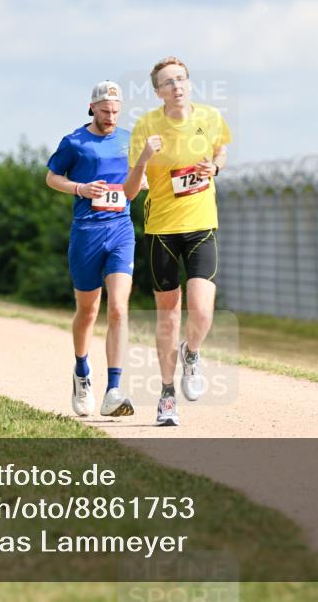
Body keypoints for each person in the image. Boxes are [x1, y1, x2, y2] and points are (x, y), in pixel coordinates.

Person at [124, 56, 232, 426]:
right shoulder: (145, 127)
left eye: (181, 79)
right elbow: (129, 187)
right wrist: (143, 158)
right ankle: (167, 395)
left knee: (202, 311)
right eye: (168, 82)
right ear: (158, 91)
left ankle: (192, 352)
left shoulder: (210, 118)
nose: (177, 86)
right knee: (168, 316)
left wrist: (215, 167)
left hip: (202, 225)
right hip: (162, 231)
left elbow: (222, 150)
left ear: (189, 83)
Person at [46, 80, 136, 418]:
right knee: (88, 311)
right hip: (86, 232)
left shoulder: (129, 140)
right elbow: (52, 177)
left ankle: (114, 389)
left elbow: (139, 179)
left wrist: (139, 181)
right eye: (105, 110)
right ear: (92, 107)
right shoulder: (74, 142)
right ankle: (81, 371)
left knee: (118, 309)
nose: (111, 116)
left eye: (116, 111)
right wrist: (80, 188)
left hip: (121, 230)